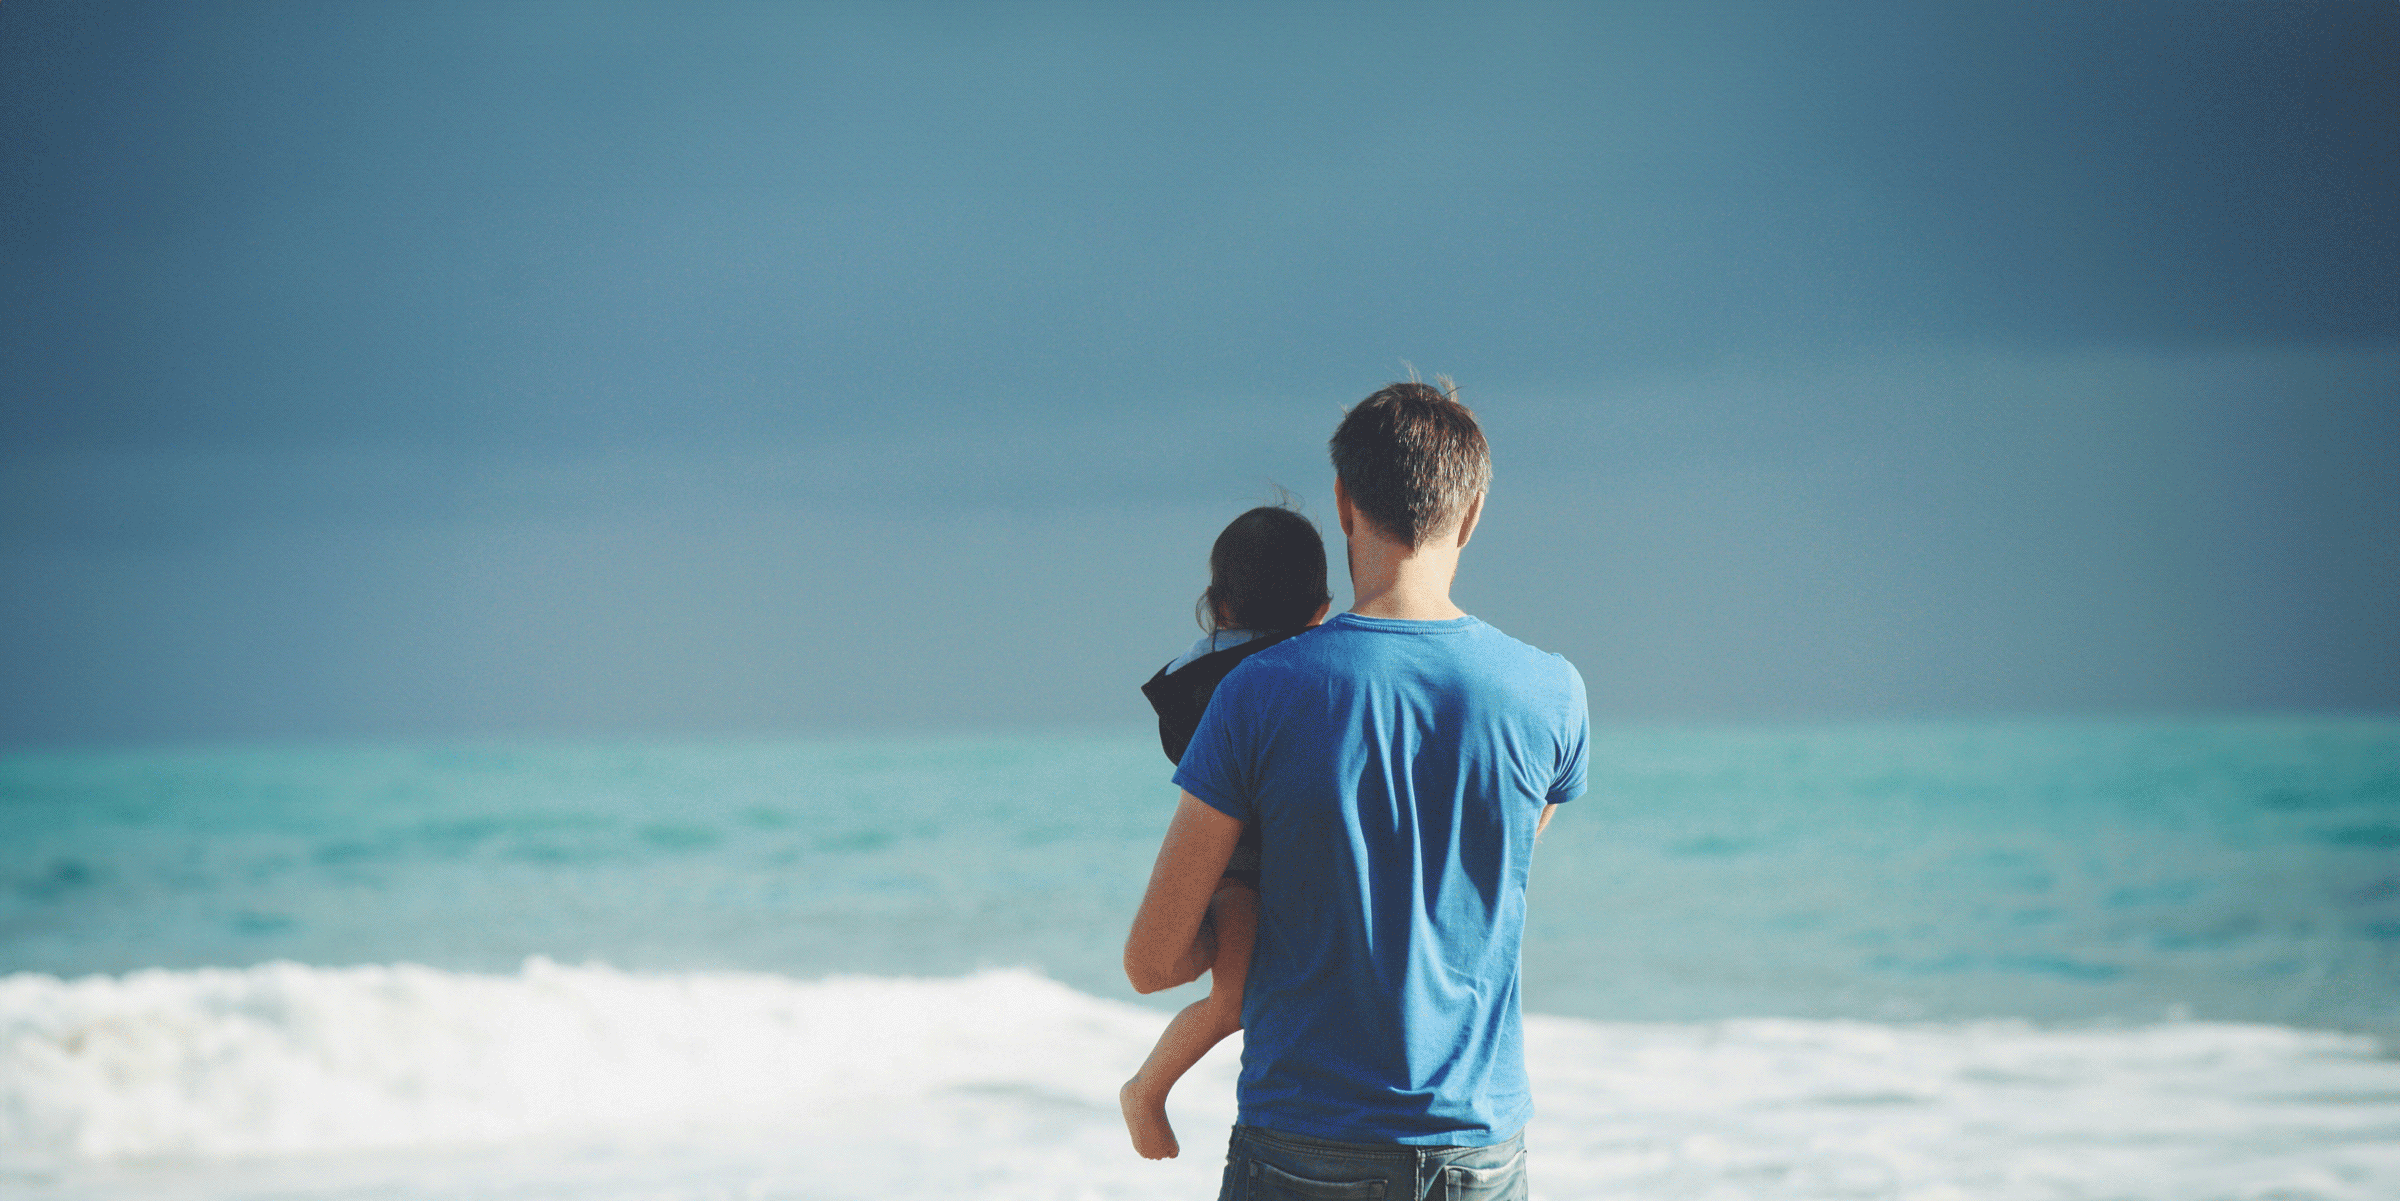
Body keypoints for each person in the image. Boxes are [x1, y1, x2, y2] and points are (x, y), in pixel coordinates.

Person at [1123, 380, 1587, 1201]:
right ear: (1473, 513)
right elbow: (1478, 875)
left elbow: (1153, 960)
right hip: (1476, 1149)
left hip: (1305, 1143)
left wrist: (1233, 933)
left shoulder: (1259, 693)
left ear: (1343, 503)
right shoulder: (1552, 694)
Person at [1121, 504, 1332, 1160]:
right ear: (1321, 608)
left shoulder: (1195, 672)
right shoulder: (1313, 669)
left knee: (1234, 994)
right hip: (1237, 867)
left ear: (1215, 602)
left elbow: (1177, 752)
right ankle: (1145, 1090)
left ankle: (1149, 1090)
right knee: (1235, 996)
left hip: (1227, 867)